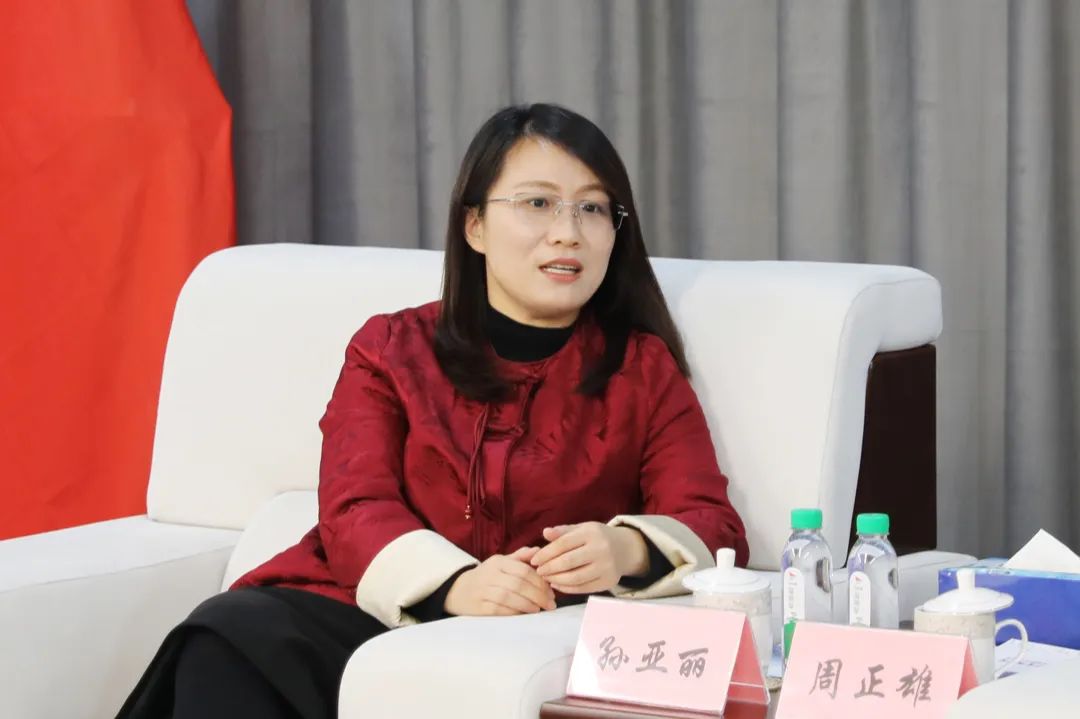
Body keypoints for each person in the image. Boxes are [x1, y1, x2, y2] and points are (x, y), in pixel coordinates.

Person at [116, 102, 749, 719]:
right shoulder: (390, 348)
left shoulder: (641, 368)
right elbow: (354, 507)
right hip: (364, 609)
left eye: (592, 208)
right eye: (537, 203)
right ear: (475, 226)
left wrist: (626, 549)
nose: (568, 231)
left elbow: (711, 521)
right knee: (228, 637)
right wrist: (454, 585)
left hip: (527, 632)